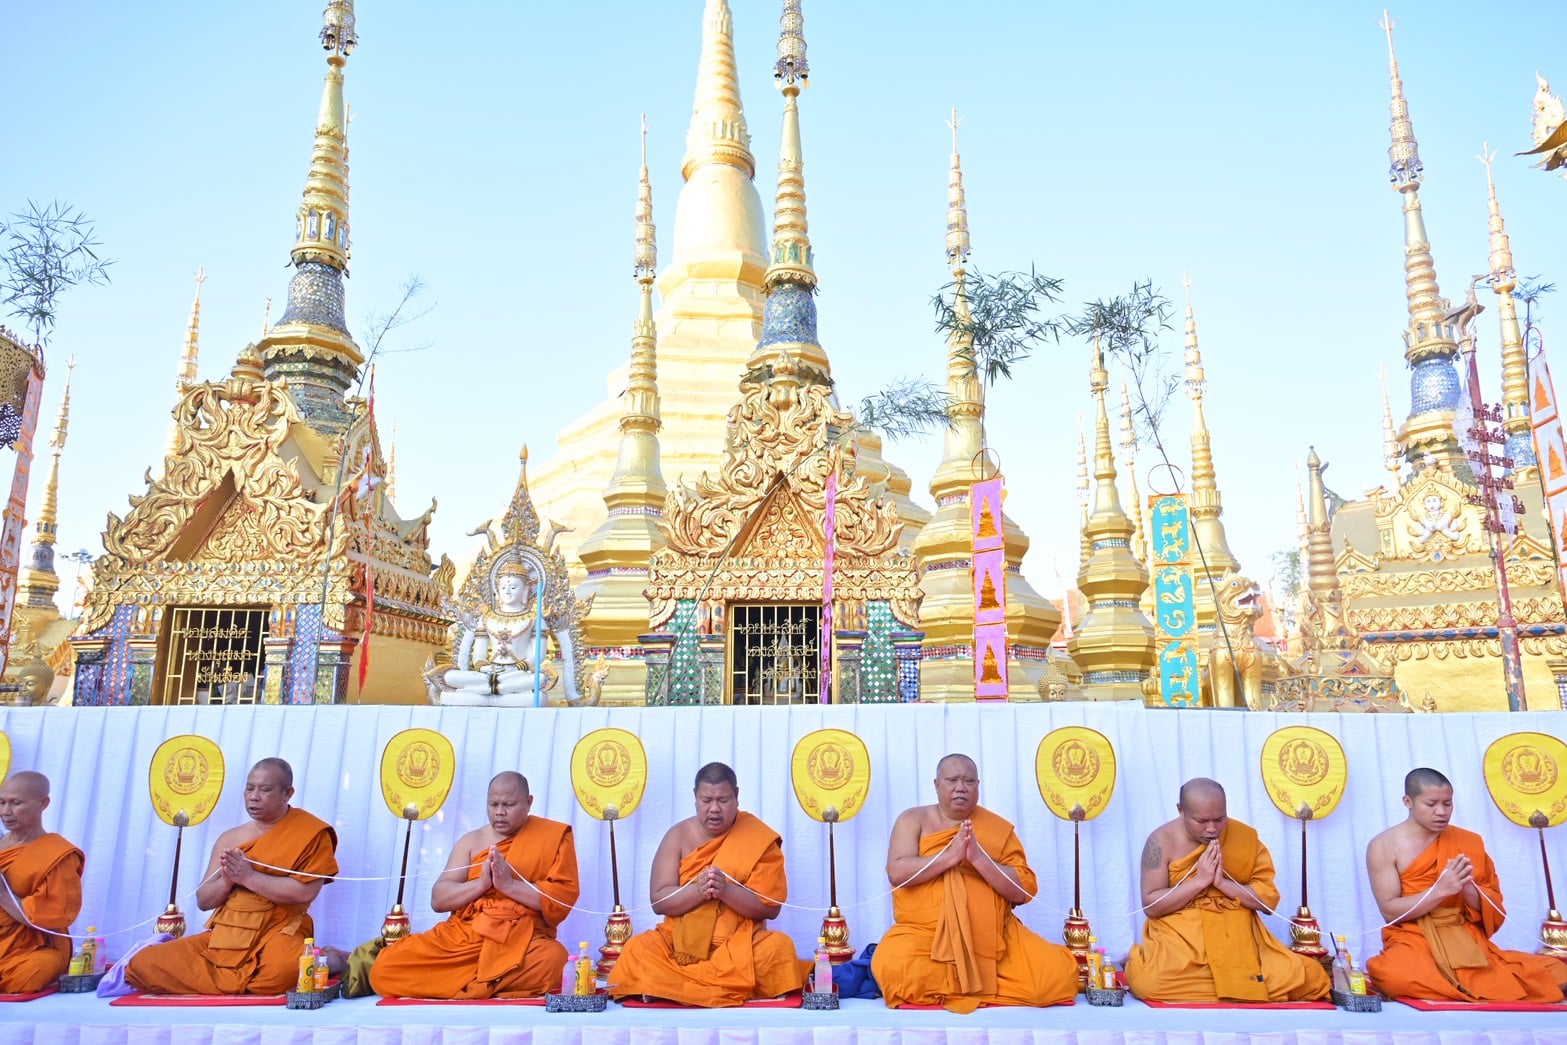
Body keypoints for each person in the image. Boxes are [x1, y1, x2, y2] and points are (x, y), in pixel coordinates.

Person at [870, 754, 1079, 1012]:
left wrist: (979, 859)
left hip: (994, 940)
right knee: (893, 966)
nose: (961, 787)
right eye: (952, 780)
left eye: (969, 781)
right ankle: (979, 987)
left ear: (978, 785)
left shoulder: (996, 828)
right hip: (925, 935)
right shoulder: (913, 820)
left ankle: (967, 986)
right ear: (936, 784)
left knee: (1054, 978)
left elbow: (1022, 891)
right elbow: (897, 872)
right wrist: (949, 857)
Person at [126, 758, 338, 994]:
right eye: (249, 788)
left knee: (278, 976)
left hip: (279, 930)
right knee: (141, 964)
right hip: (226, 936)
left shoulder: (310, 832)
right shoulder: (230, 838)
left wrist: (248, 877)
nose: (254, 797)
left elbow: (304, 892)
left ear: (287, 794)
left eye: (265, 789)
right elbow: (204, 900)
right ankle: (235, 979)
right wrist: (227, 879)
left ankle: (330, 959)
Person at [606, 762, 807, 1006]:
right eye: (706, 800)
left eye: (723, 800)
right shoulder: (678, 835)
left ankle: (666, 987)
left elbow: (770, 908)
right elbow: (659, 901)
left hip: (738, 948)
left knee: (778, 948)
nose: (714, 809)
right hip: (678, 945)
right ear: (695, 797)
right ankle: (698, 987)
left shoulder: (758, 838)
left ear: (736, 796)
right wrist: (699, 891)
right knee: (638, 949)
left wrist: (725, 891)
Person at [1364, 767, 1567, 1002]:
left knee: (1557, 970)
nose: (1441, 812)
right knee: (1391, 974)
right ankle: (1483, 988)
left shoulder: (1468, 841)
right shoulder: (1384, 845)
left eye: (1447, 803)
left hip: (1464, 937)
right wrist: (1440, 891)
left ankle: (1467, 986)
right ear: (1408, 802)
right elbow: (1390, 911)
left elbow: (1495, 909)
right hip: (1414, 936)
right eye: (1431, 804)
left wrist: (1469, 891)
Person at [370, 772, 579, 998]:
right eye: (493, 804)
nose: (499, 812)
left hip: (520, 940)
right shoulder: (472, 841)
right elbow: (439, 899)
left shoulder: (553, 837)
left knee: (554, 960)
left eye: (509, 805)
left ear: (529, 803)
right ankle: (488, 982)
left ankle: (467, 983)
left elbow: (561, 900)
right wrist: (480, 885)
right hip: (464, 939)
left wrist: (509, 886)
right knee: (385, 967)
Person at [1125, 777, 1329, 1003]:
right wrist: (1199, 882)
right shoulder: (1160, 842)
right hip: (1184, 946)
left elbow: (1267, 901)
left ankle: (1235, 985)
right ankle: (1244, 988)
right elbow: (1151, 906)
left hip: (1239, 943)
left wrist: (1222, 884)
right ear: (1181, 811)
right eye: (1202, 821)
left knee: (1313, 977)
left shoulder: (1244, 838)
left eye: (1219, 819)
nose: (1212, 829)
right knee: (1147, 983)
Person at [0, 772, 83, 992]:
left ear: (43, 804)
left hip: (31, 949)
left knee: (36, 970)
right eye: (2, 802)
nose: (5, 811)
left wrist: (3, 893)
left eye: (16, 803)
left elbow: (53, 916)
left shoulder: (56, 854)